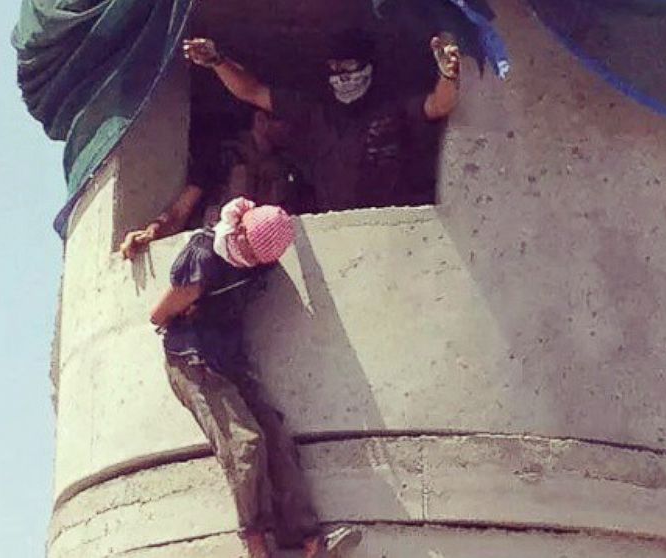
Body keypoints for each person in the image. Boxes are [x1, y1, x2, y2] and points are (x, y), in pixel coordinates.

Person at [150, 198, 358, 558]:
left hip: (230, 359)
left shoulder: (258, 263)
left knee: (275, 436)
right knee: (246, 443)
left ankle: (308, 541)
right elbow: (158, 315)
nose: (251, 259)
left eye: (259, 257)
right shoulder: (203, 256)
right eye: (248, 247)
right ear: (240, 229)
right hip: (193, 358)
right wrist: (189, 309)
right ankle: (256, 541)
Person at [182, 28, 461, 211]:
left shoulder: (393, 110)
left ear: (369, 67)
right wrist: (218, 62)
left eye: (349, 66)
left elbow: (439, 105)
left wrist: (448, 75)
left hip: (394, 234)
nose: (341, 75)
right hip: (333, 233)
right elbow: (251, 91)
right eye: (334, 68)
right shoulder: (314, 113)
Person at [119, 107, 307, 259]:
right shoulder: (221, 158)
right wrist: (151, 232)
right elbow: (180, 211)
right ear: (260, 120)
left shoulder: (288, 170)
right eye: (287, 122)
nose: (293, 130)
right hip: (209, 258)